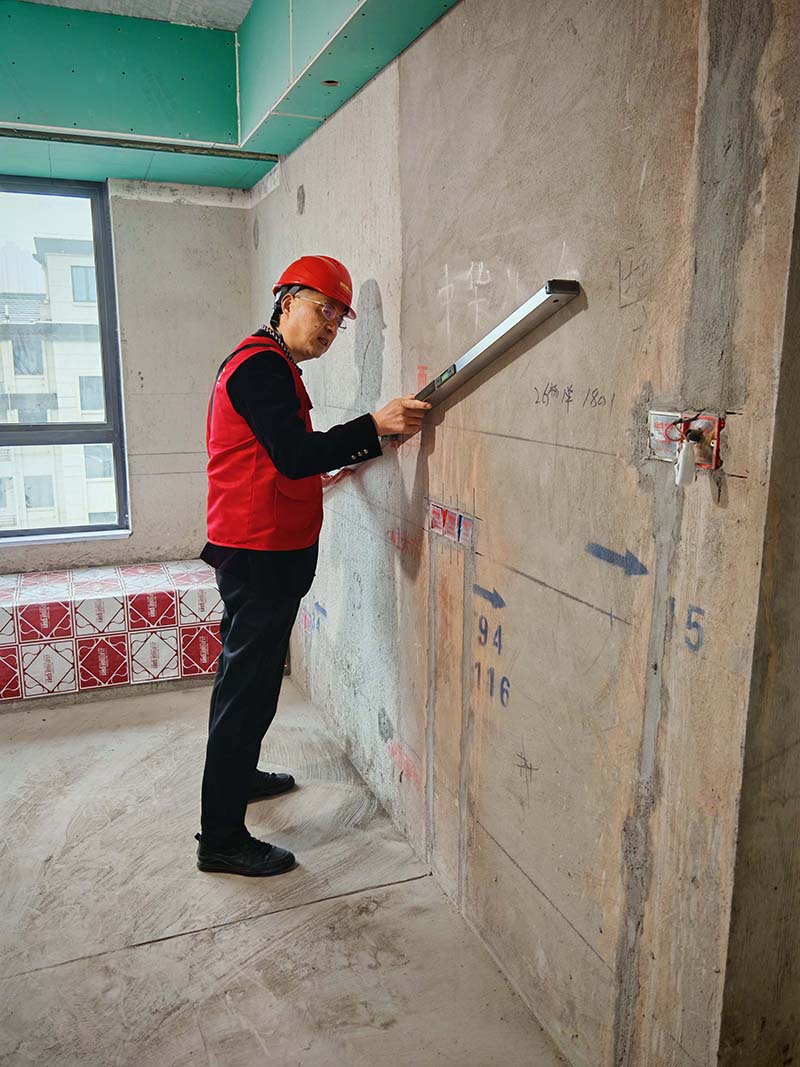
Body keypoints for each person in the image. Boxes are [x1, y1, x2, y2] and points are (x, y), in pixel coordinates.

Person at [195, 255, 431, 877]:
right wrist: (373, 425)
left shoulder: (271, 364)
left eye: (340, 318)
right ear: (286, 301)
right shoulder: (261, 367)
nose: (331, 325)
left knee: (248, 679)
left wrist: (326, 466)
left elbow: (273, 457)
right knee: (246, 689)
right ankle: (220, 839)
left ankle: (240, 775)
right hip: (258, 554)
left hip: (263, 548)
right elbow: (294, 454)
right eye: (323, 309)